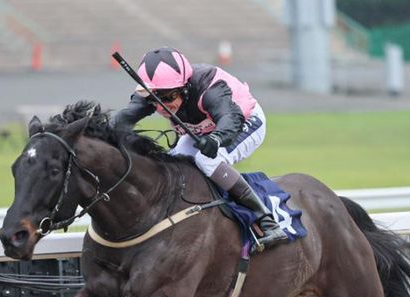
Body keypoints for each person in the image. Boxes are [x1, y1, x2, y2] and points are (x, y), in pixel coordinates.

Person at [111, 46, 286, 248]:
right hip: (205, 128)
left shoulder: (211, 89)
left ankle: (266, 220)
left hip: (244, 123)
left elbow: (230, 120)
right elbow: (124, 119)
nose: (162, 107)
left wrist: (216, 139)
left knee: (207, 161)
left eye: (168, 98)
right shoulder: (159, 91)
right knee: (172, 162)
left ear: (184, 88)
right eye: (154, 99)